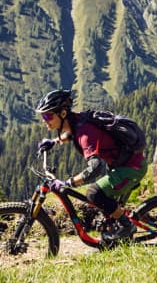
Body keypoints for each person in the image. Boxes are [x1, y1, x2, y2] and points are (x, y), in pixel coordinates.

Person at [34, 89, 146, 239]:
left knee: (94, 193)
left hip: (131, 168)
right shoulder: (76, 121)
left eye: (48, 115)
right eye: (43, 116)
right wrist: (54, 142)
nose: (44, 119)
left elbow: (95, 167)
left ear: (62, 114)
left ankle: (128, 226)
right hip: (122, 164)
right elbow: (70, 134)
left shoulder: (85, 133)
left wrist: (69, 182)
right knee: (106, 207)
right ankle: (116, 234)